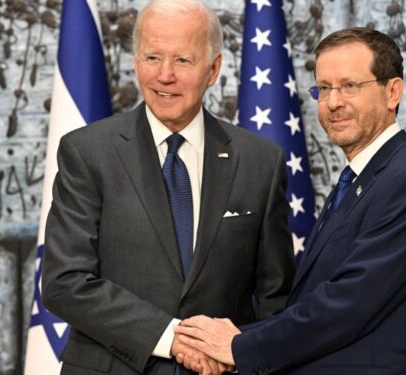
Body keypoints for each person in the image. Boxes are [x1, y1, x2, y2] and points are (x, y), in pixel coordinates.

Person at [175, 27, 406, 374]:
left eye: (350, 86)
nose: (333, 102)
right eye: (323, 88)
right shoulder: (355, 181)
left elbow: (349, 303)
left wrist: (237, 346)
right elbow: (310, 304)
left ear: (392, 91)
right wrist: (238, 343)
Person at [41, 0, 295, 374]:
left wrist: (244, 355)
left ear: (213, 70)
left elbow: (276, 298)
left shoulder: (260, 162)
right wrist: (172, 337)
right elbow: (65, 281)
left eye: (182, 60)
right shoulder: (87, 152)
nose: (164, 75)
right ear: (135, 60)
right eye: (152, 57)